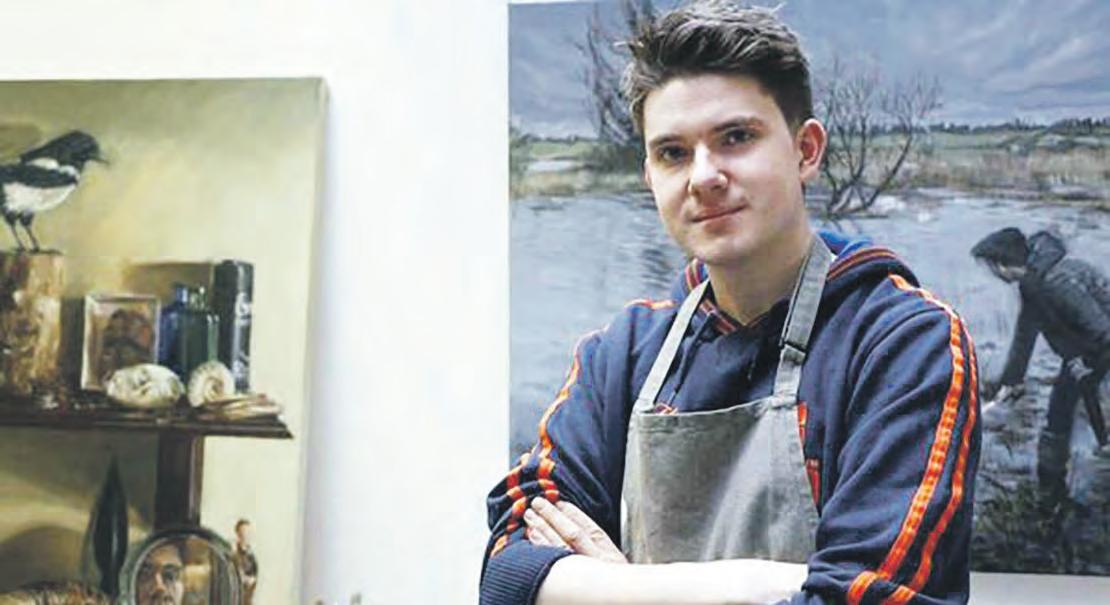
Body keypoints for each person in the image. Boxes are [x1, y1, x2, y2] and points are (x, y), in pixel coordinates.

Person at [481, 2, 981, 604]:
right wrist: (751, 585)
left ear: (806, 150)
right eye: (672, 153)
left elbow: (864, 597)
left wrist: (609, 588)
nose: (703, 176)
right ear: (650, 176)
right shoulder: (623, 354)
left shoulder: (904, 344)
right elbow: (507, 575)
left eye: (736, 138)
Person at [971, 227, 1110, 503]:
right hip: (1083, 352)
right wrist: (1011, 382)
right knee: (1060, 416)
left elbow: (1103, 330)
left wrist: (1086, 363)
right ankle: (1052, 488)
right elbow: (1025, 336)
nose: (992, 274)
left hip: (1099, 349)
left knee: (1078, 411)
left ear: (1002, 265)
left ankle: (1062, 490)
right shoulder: (1032, 283)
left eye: (990, 267)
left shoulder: (1056, 282)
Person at [233, 518, 260, 605]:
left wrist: (249, 580)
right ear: (238, 533)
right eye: (243, 532)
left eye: (248, 532)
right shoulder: (232, 554)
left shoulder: (251, 558)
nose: (246, 535)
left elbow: (253, 579)